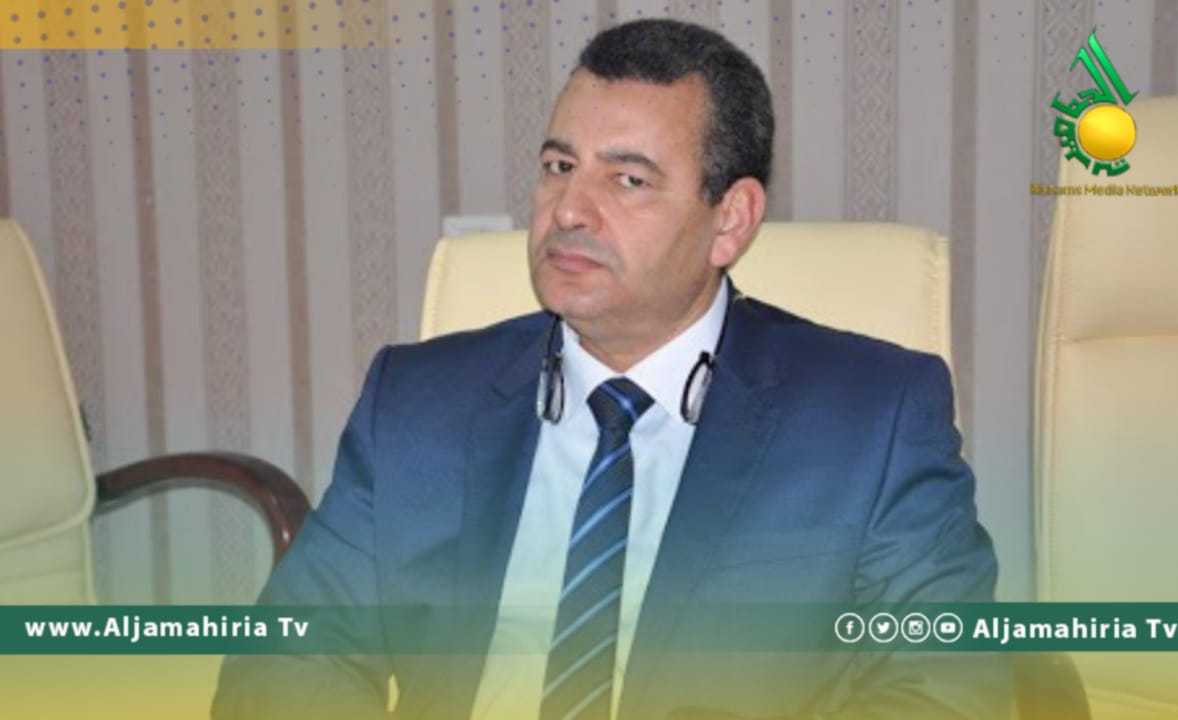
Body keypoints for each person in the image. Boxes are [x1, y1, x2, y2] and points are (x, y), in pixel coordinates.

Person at [213, 18, 1010, 720]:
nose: (568, 210)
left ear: (730, 221)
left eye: (627, 180)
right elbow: (294, 659)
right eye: (559, 166)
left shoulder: (870, 417)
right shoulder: (418, 401)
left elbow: (942, 689)